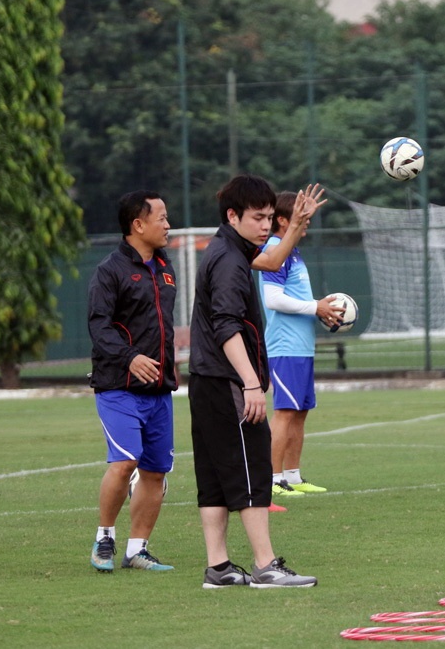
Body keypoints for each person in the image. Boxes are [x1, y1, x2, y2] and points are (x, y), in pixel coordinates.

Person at [189, 174, 317, 589]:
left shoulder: (231, 248)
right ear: (233, 216)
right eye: (259, 218)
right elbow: (226, 326)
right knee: (252, 470)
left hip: (205, 379)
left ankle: (219, 567)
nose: (266, 226)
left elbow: (274, 260)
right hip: (227, 381)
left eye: (270, 218)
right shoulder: (228, 260)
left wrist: (295, 224)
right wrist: (249, 383)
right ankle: (265, 566)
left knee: (213, 478)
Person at [87, 190, 177, 573]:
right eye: (161, 218)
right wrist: (130, 357)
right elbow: (98, 326)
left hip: (160, 390)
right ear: (137, 225)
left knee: (156, 471)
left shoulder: (165, 267)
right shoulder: (110, 271)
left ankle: (137, 550)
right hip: (117, 386)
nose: (168, 225)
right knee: (125, 462)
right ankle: (104, 538)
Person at [259, 191, 341, 500]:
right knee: (285, 412)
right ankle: (272, 478)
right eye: (301, 216)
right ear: (283, 220)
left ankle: (292, 475)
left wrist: (324, 313)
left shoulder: (292, 252)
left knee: (300, 411)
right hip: (285, 347)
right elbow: (273, 299)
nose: (307, 222)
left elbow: (300, 300)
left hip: (301, 346)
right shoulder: (275, 249)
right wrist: (315, 307)